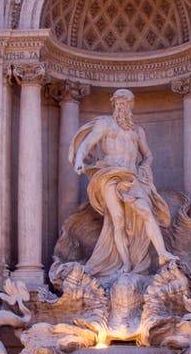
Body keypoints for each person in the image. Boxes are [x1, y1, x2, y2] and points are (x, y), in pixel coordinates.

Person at [68, 89, 177, 276]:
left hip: (132, 176)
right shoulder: (105, 124)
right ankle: (125, 264)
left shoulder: (137, 131)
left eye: (126, 103)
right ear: (114, 104)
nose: (122, 106)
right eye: (119, 103)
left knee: (146, 212)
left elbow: (148, 155)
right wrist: (79, 160)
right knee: (117, 220)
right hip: (109, 174)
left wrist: (144, 166)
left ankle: (162, 253)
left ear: (131, 105)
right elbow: (87, 144)